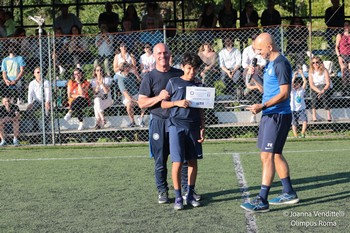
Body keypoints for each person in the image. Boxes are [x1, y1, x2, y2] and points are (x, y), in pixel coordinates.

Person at [241, 33, 299, 213]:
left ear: (269, 46)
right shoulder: (270, 65)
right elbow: (267, 89)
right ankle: (289, 192)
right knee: (273, 155)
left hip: (277, 115)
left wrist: (263, 105)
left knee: (267, 156)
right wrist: (255, 76)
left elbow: (284, 93)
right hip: (269, 114)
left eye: (259, 49)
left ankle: (262, 199)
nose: (257, 53)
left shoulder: (281, 63)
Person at [138, 43, 201, 204]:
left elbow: (192, 87)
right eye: (159, 53)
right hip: (159, 121)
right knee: (161, 159)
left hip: (180, 122)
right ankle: (162, 191)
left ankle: (188, 191)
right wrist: (159, 97)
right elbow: (142, 103)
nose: (162, 56)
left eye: (165, 52)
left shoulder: (179, 74)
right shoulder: (149, 77)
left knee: (184, 159)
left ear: (170, 54)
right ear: (154, 55)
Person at [161, 52, 204, 210]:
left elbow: (201, 108)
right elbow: (164, 104)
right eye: (189, 68)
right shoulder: (173, 82)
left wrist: (202, 127)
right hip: (176, 126)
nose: (192, 72)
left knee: (193, 161)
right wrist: (177, 103)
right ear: (183, 67)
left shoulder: (199, 84)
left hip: (193, 127)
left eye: (195, 69)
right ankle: (178, 197)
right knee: (178, 162)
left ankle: (190, 194)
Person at [116, 62, 145, 127]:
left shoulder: (131, 75)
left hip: (136, 94)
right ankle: (133, 122)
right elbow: (127, 96)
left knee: (145, 100)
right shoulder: (120, 79)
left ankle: (141, 118)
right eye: (128, 67)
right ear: (125, 68)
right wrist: (137, 102)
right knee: (129, 105)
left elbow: (141, 82)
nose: (130, 68)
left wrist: (136, 74)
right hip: (127, 97)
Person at [308, 56, 332, 122]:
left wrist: (322, 91)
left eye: (317, 62)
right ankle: (314, 116)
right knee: (314, 95)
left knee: (324, 94)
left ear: (320, 62)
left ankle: (328, 114)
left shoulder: (324, 70)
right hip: (316, 88)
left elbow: (327, 83)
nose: (315, 64)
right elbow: (311, 85)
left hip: (325, 87)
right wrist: (319, 91)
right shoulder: (311, 72)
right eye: (313, 63)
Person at [91, 65, 113, 129]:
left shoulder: (107, 79)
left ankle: (98, 122)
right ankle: (102, 119)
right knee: (97, 101)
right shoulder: (93, 81)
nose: (99, 72)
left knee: (96, 105)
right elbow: (95, 92)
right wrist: (97, 85)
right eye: (97, 70)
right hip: (99, 101)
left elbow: (106, 92)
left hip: (107, 99)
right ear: (95, 72)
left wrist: (102, 84)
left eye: (101, 70)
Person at [290, 70, 308, 138]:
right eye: (295, 84)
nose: (295, 85)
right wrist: (294, 76)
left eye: (297, 84)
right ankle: (295, 135)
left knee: (304, 121)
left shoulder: (301, 90)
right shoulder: (292, 91)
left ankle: (302, 133)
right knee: (294, 123)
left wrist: (301, 74)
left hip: (301, 109)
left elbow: (305, 82)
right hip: (293, 109)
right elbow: (291, 83)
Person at [335, 20, 350, 95]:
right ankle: (344, 89)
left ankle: (348, 89)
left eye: (348, 25)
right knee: (344, 72)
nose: (346, 27)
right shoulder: (340, 35)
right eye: (345, 25)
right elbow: (336, 47)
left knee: (349, 72)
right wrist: (339, 57)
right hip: (343, 55)